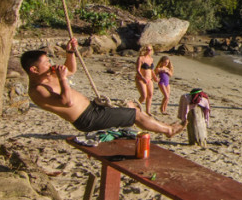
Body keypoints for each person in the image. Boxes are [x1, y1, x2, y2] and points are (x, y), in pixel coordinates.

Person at [20, 39, 182, 137]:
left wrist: (70, 52)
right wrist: (62, 79)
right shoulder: (38, 90)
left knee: (131, 105)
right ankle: (168, 131)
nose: (50, 64)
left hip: (91, 108)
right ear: (34, 70)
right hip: (87, 119)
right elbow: (67, 102)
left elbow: (71, 69)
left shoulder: (47, 76)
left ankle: (165, 126)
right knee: (136, 115)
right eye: (46, 63)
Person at [135, 44, 155, 115]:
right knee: (144, 95)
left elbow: (151, 70)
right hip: (140, 78)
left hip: (149, 79)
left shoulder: (151, 59)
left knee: (150, 95)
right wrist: (142, 78)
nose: (149, 51)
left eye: (150, 50)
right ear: (144, 50)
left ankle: (148, 111)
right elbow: (138, 70)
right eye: (147, 49)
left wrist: (155, 77)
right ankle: (136, 107)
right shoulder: (140, 58)